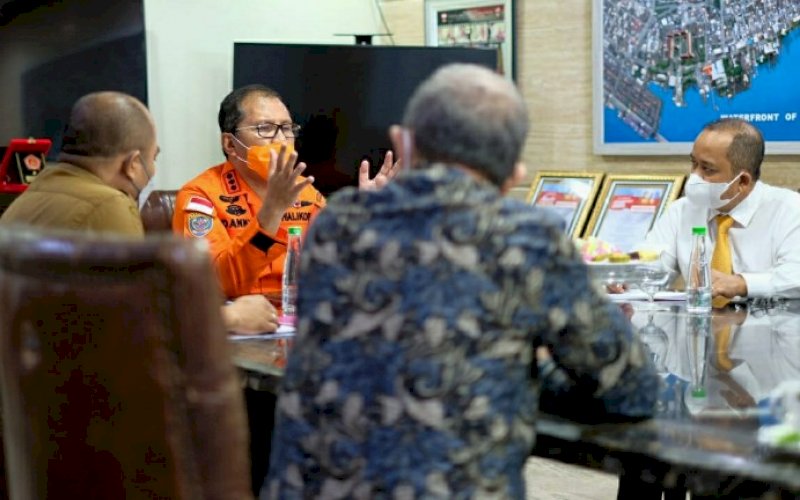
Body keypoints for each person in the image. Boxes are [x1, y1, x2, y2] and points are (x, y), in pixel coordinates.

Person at [263, 64, 659, 499]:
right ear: (514, 173)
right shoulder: (525, 235)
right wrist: (527, 368)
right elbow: (632, 388)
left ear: (403, 142)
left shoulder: (334, 225)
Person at [0, 91, 278, 334]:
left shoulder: (35, 192)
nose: (153, 170)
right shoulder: (107, 205)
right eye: (153, 158)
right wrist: (234, 316)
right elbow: (142, 316)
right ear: (133, 164)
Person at [172, 84, 398, 299]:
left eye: (287, 128)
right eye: (266, 128)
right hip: (238, 324)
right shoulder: (200, 197)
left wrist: (366, 216)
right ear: (230, 144)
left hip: (296, 318)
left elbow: (340, 265)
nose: (281, 140)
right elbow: (216, 284)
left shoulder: (305, 192)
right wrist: (273, 210)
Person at [646, 118, 800, 301]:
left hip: (774, 326)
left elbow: (795, 274)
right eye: (693, 164)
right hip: (698, 326)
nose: (695, 177)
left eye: (707, 169)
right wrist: (629, 279)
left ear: (742, 182)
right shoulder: (681, 210)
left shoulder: (790, 210)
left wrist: (741, 284)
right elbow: (651, 265)